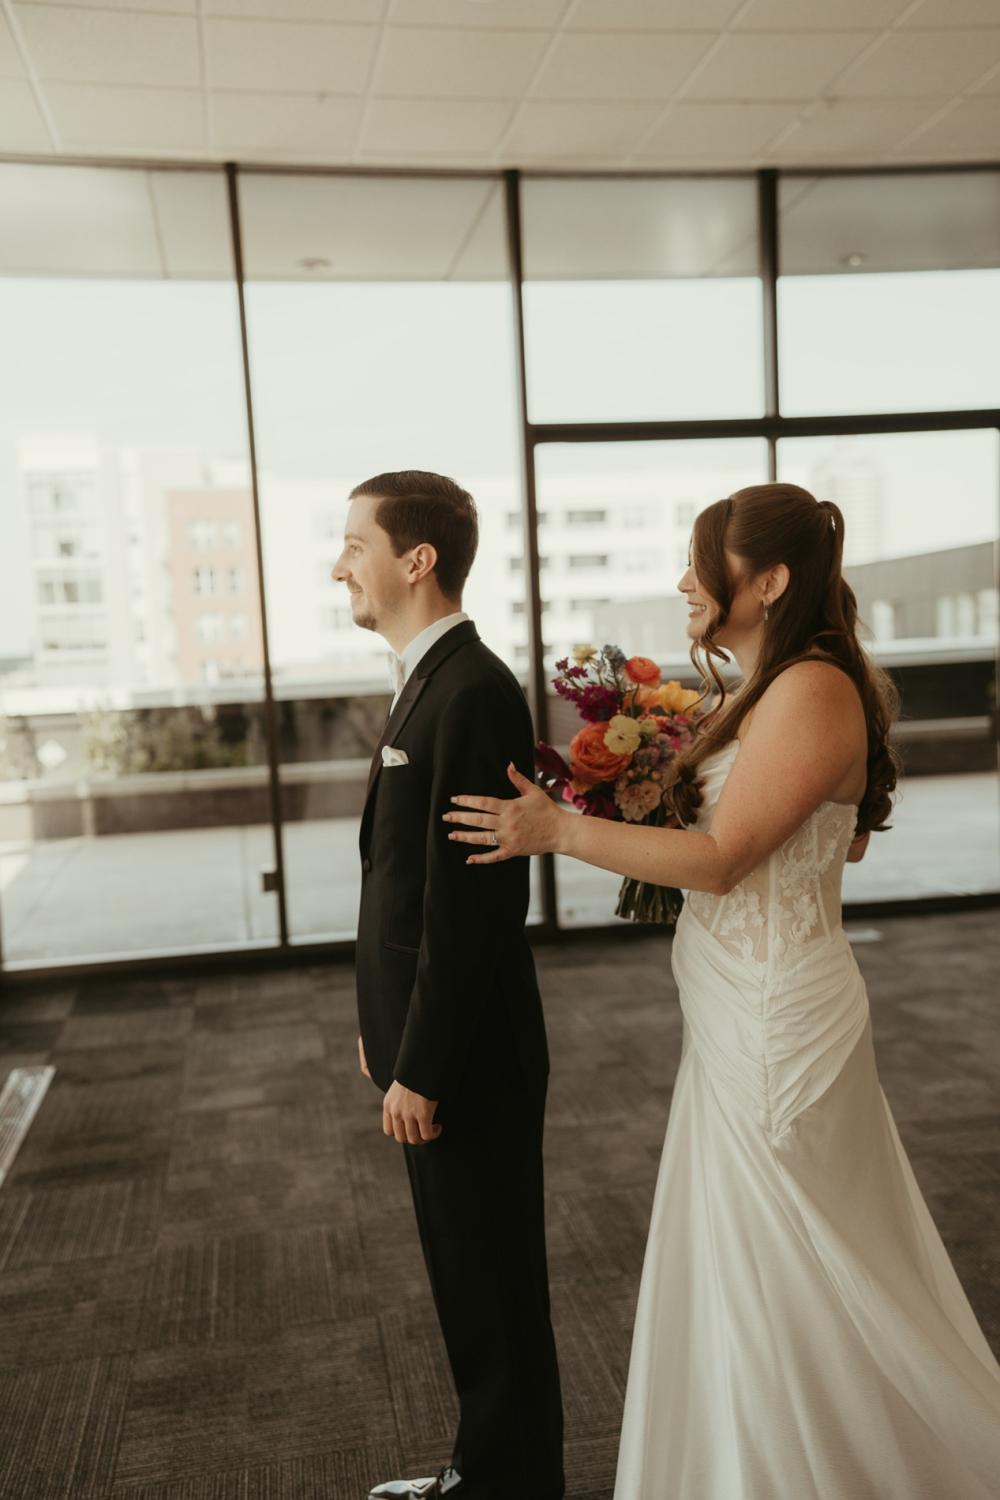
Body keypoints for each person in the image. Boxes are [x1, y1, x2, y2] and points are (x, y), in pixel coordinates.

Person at [444, 483, 1000, 1499]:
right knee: (754, 1259)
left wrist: (561, 830)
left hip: (777, 1019)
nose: (683, 584)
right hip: (737, 1009)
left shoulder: (811, 688)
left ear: (770, 580)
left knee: (789, 1263)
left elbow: (722, 859)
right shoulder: (767, 685)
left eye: (702, 565)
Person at [333, 470, 564, 1500]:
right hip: (436, 1039)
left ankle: (508, 1484)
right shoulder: (430, 678)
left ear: (415, 560)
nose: (338, 565)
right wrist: (381, 1027)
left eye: (355, 545)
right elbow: (404, 887)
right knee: (470, 1278)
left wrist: (421, 1064)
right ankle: (493, 1473)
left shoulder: (470, 690)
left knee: (492, 1282)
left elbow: (470, 909)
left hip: (467, 1055)